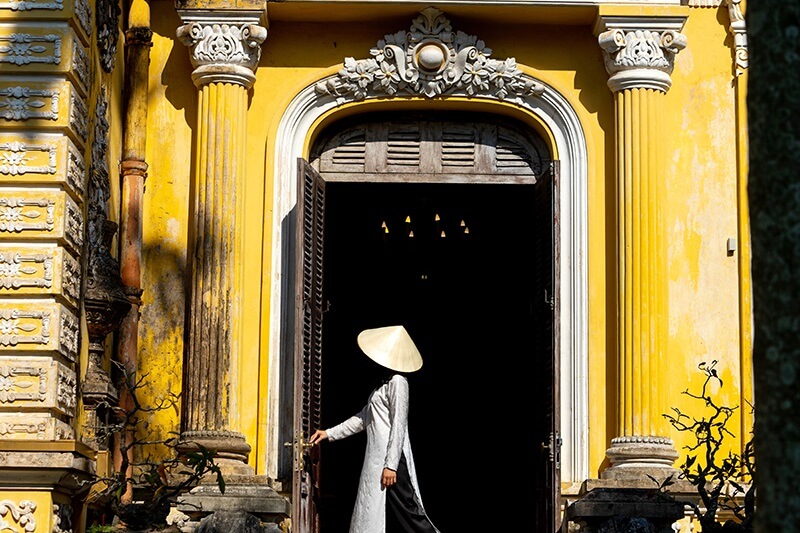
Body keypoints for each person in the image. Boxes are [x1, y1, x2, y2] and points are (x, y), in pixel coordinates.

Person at [309, 325, 441, 533]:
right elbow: (363, 419)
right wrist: (328, 433)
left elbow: (399, 425)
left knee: (410, 512)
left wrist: (391, 465)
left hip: (393, 459)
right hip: (377, 458)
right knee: (381, 512)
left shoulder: (398, 382)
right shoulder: (381, 385)